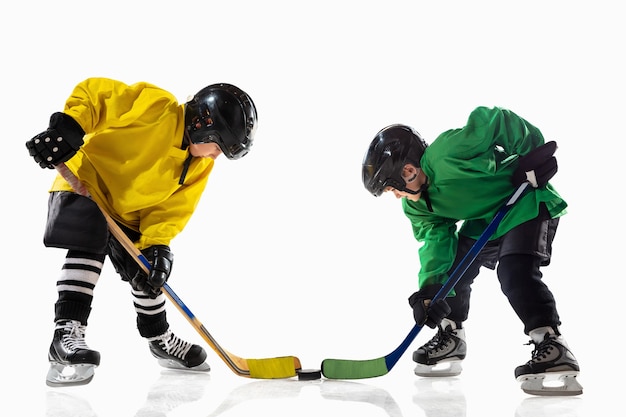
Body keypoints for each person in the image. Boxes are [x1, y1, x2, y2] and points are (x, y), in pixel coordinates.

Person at [25, 77, 257, 387]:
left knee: (147, 273)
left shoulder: (200, 164)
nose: (216, 155)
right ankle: (65, 335)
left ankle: (158, 338)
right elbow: (97, 97)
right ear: (204, 125)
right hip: (87, 182)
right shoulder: (156, 107)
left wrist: (157, 244)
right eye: (217, 146)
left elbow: (171, 210)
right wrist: (68, 127)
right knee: (88, 246)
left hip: (129, 213)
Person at [361, 106, 582, 396]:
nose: (397, 196)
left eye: (393, 189)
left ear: (408, 171)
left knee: (514, 273)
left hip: (524, 201)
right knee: (452, 272)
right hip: (487, 220)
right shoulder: (417, 205)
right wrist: (429, 292)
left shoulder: (447, 153)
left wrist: (531, 152)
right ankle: (451, 336)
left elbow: (494, 122)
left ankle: (551, 344)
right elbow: (436, 241)